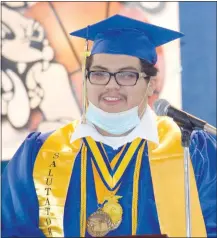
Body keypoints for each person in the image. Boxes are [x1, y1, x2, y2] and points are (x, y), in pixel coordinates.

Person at [1, 14, 216, 238]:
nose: (111, 85)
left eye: (126, 75)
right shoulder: (39, 153)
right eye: (99, 73)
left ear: (150, 84)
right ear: (86, 80)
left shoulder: (192, 151)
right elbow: (12, 229)